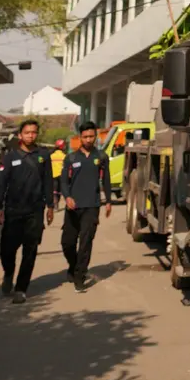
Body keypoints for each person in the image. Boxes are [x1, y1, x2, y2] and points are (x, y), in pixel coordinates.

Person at [0, 119, 54, 305]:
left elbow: (48, 182)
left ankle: (21, 289)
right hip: (13, 210)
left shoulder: (43, 155)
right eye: (27, 132)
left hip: (34, 211)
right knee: (7, 250)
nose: (31, 135)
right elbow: (2, 183)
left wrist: (50, 206)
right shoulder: (10, 156)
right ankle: (8, 273)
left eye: (34, 132)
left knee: (30, 251)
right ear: (20, 135)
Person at [59, 122, 111, 292]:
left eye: (91, 136)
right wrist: (67, 197)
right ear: (80, 137)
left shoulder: (101, 157)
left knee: (85, 243)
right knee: (67, 243)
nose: (89, 140)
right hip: (73, 207)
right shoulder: (71, 158)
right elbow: (64, 182)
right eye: (85, 137)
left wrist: (108, 201)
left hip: (92, 206)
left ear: (96, 136)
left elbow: (107, 181)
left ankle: (80, 277)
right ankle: (74, 267)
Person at [50, 139, 67, 208]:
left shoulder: (51, 156)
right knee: (60, 191)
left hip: (53, 176)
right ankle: (59, 204)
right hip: (61, 176)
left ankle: (55, 204)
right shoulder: (64, 156)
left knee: (54, 191)